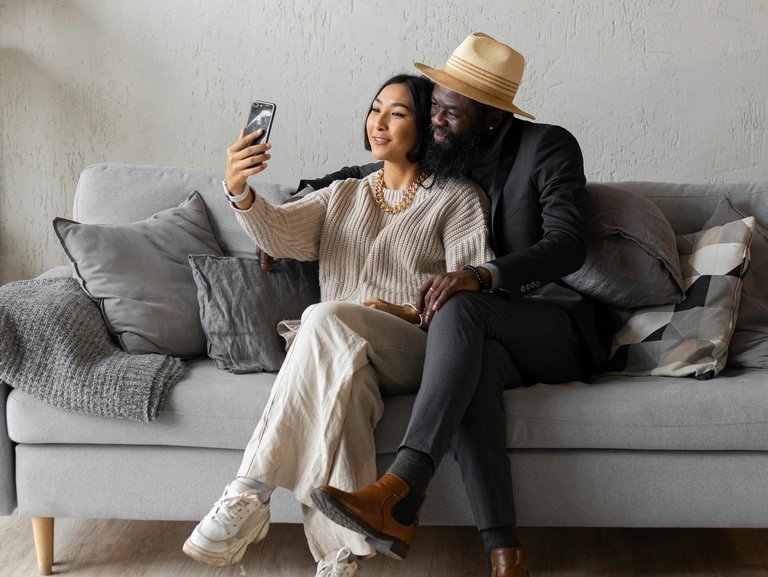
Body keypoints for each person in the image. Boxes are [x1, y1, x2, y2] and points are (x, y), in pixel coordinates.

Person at [307, 33, 614, 577]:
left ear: (493, 117)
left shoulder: (548, 147)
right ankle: (505, 556)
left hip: (553, 322)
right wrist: (295, 199)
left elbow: (568, 244)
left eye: (450, 112)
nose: (436, 121)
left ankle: (402, 486)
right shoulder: (448, 150)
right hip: (484, 334)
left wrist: (481, 275)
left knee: (458, 306)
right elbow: (365, 175)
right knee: (471, 371)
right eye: (435, 107)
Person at [182, 73, 494, 577]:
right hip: (338, 349)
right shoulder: (342, 195)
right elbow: (278, 232)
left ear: (425, 125)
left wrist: (404, 312)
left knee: (321, 317)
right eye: (375, 110)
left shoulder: (458, 199)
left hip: (417, 348)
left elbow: (473, 296)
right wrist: (238, 189)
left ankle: (249, 491)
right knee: (347, 392)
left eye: (397, 113)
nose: (379, 122)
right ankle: (341, 560)